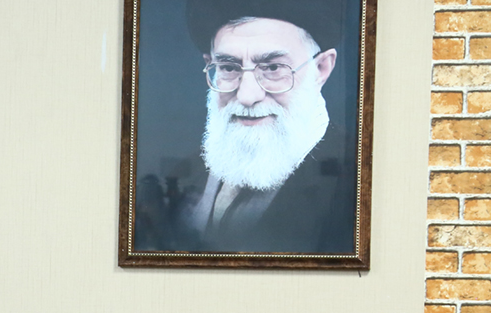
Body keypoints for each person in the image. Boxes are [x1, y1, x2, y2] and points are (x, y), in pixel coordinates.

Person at [147, 0, 357, 254]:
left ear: (321, 68)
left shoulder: (353, 182)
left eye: (273, 68)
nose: (247, 95)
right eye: (228, 68)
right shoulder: (187, 175)